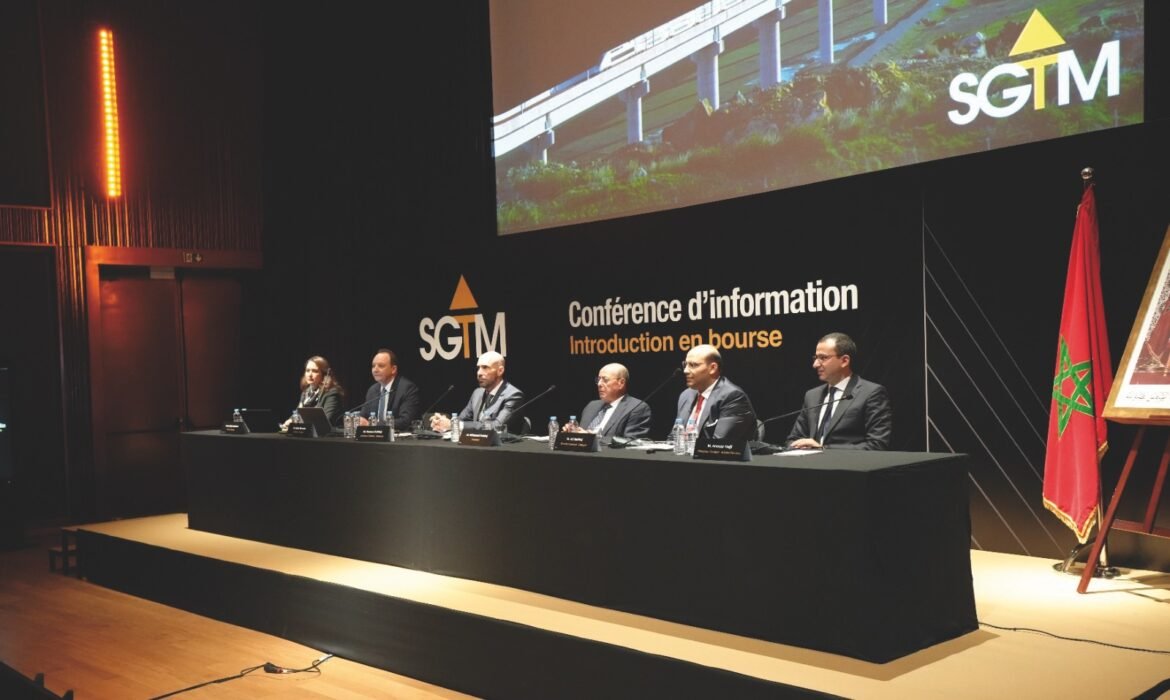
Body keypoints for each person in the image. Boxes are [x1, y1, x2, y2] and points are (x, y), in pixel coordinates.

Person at [786, 332, 892, 450]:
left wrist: (823, 449)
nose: (815, 364)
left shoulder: (871, 393)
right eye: (815, 358)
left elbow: (877, 444)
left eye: (823, 358)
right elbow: (793, 439)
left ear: (844, 361)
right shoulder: (812, 396)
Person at [675, 344, 758, 442]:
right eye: (685, 365)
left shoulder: (732, 397)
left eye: (693, 365)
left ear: (713, 368)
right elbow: (675, 438)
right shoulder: (686, 395)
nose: (685, 370)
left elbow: (718, 444)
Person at [430, 351, 525, 433]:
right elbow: (461, 419)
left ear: (500, 371)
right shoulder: (477, 393)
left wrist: (454, 425)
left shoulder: (513, 395)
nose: (479, 373)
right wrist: (443, 423)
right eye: (478, 368)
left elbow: (497, 426)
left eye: (485, 367)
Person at [570, 362, 652, 441]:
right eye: (598, 379)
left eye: (605, 380)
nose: (599, 384)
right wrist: (572, 433)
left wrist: (591, 439)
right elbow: (581, 435)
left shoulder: (637, 407)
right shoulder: (592, 405)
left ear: (621, 383)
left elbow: (631, 442)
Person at [361, 349, 421, 431]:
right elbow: (363, 416)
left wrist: (372, 425)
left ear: (393, 369)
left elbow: (405, 421)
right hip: (373, 436)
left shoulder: (407, 389)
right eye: (373, 366)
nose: (375, 369)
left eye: (381, 366)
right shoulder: (372, 390)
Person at [286, 355, 344, 427]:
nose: (310, 375)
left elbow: (325, 421)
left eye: (314, 371)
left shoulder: (332, 393)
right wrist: (289, 421)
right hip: (308, 431)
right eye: (307, 370)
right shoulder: (306, 392)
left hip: (327, 433)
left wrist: (298, 422)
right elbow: (297, 414)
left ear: (324, 374)